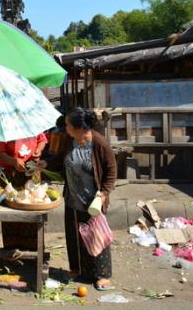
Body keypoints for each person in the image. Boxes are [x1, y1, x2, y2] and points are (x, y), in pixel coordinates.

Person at [42, 108, 116, 291]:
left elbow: (111, 170)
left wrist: (104, 192)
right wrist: (45, 164)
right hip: (73, 196)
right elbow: (60, 158)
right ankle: (78, 269)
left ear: (79, 128)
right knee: (74, 236)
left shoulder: (99, 143)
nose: (65, 127)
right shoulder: (70, 141)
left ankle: (102, 275)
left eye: (67, 125)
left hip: (93, 200)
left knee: (96, 235)